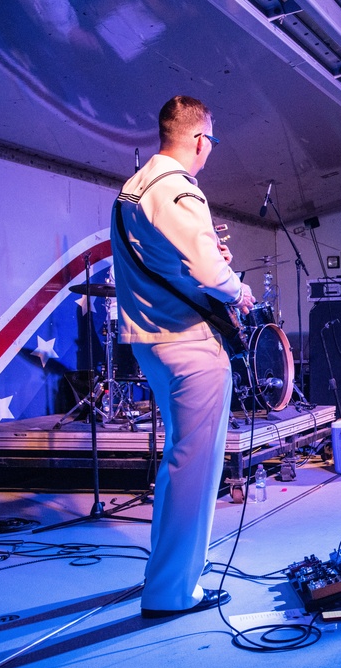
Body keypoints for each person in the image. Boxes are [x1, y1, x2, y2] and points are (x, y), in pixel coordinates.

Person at [111, 95, 256, 617]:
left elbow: (171, 260)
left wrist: (204, 258)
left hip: (152, 341)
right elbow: (213, 276)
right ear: (199, 139)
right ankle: (172, 593)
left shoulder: (133, 187)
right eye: (210, 142)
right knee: (196, 471)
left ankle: (170, 582)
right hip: (189, 342)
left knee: (182, 464)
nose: (209, 152)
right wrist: (238, 291)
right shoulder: (178, 190)